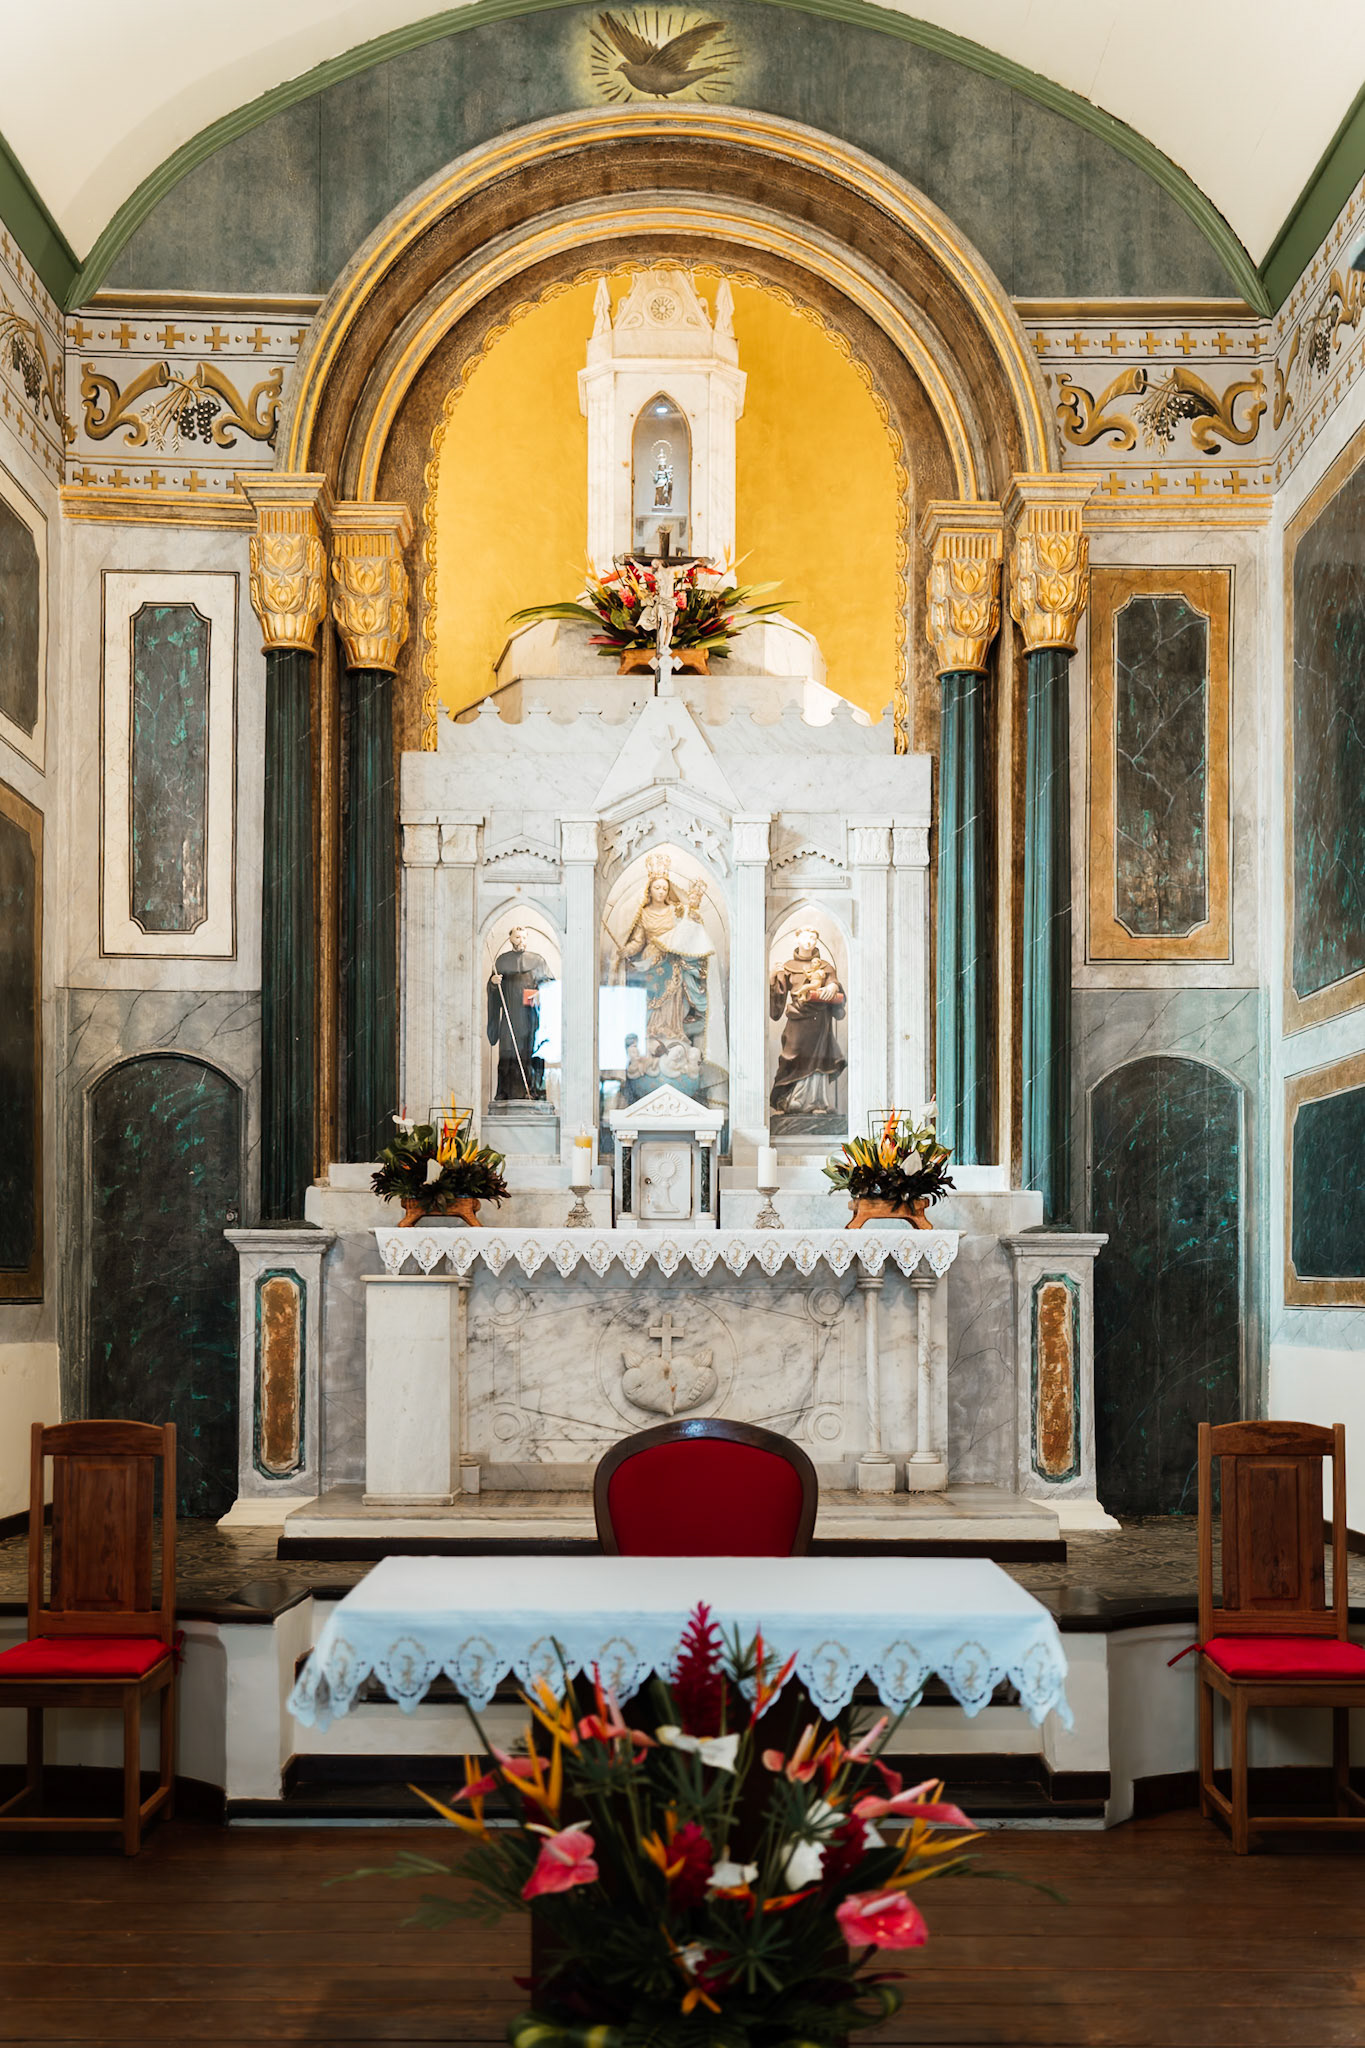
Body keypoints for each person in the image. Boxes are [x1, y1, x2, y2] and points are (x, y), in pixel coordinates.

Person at [769, 928, 847, 1116]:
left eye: (814, 937)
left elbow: (835, 987)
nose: (809, 941)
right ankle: (788, 1099)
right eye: (806, 937)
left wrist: (832, 985)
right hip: (797, 1020)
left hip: (820, 1021)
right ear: (796, 939)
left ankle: (817, 1101)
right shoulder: (787, 967)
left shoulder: (825, 966)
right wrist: (773, 977)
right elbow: (777, 1003)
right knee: (791, 1056)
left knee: (817, 1060)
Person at [486, 926, 552, 1101]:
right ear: (511, 939)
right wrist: (493, 983)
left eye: (524, 937)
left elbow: (549, 987)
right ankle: (505, 1092)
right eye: (517, 937)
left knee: (530, 1055)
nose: (521, 941)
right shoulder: (501, 962)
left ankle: (532, 1091)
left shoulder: (537, 961)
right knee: (508, 1055)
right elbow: (494, 992)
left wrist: (539, 994)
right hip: (510, 1019)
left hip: (531, 1019)